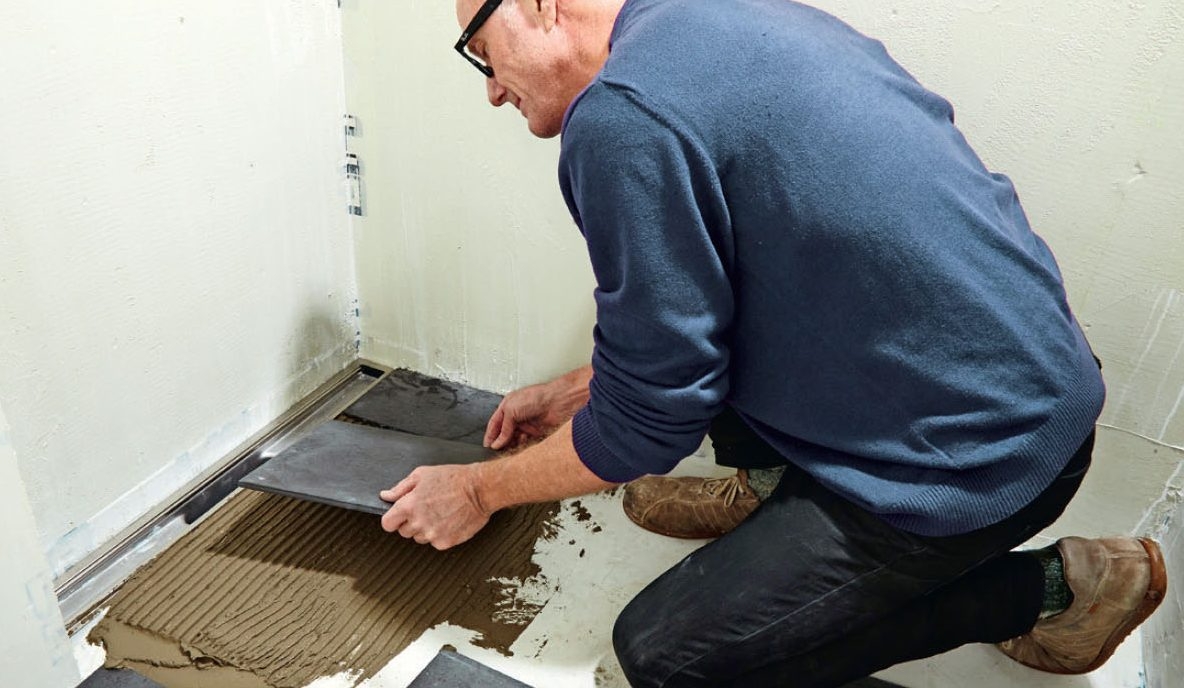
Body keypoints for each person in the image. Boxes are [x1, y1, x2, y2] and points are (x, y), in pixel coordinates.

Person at [378, 1, 1167, 685]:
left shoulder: (622, 118)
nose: (491, 88)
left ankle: (1057, 589)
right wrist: (580, 389)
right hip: (1027, 378)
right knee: (727, 267)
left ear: (541, 4)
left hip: (980, 459)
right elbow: (702, 307)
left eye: (482, 51)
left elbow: (644, 429)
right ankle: (770, 492)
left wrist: (476, 491)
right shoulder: (712, 19)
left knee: (666, 656)